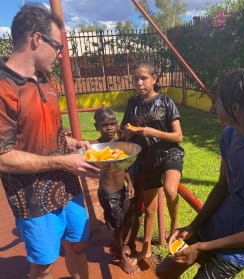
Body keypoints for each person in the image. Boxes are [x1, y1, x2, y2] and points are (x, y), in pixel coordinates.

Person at [156, 68, 244, 279]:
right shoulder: (230, 133)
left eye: (219, 102)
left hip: (242, 244)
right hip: (217, 223)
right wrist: (193, 227)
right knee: (164, 271)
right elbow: (223, 186)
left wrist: (203, 247)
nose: (214, 107)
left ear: (235, 108)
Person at [0, 3, 101, 279]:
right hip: (32, 198)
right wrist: (60, 160)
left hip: (67, 186)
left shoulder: (45, 79)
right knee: (43, 266)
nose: (60, 53)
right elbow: (3, 156)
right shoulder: (3, 87)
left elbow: (50, 131)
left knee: (79, 246)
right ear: (36, 39)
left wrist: (70, 144)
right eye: (57, 46)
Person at [121, 60, 185, 259]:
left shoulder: (166, 101)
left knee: (170, 190)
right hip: (147, 158)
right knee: (149, 209)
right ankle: (146, 248)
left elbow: (178, 136)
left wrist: (152, 131)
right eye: (135, 79)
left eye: (143, 78)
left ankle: (174, 228)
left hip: (170, 153)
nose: (139, 83)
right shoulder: (132, 103)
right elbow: (126, 129)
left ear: (154, 79)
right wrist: (127, 132)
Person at [91, 106, 140, 273]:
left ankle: (118, 243)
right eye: (105, 125)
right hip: (108, 193)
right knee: (118, 226)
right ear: (96, 126)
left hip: (123, 190)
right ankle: (121, 257)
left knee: (129, 220)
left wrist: (130, 184)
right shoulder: (95, 146)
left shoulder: (121, 143)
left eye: (113, 123)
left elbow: (123, 166)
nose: (110, 128)